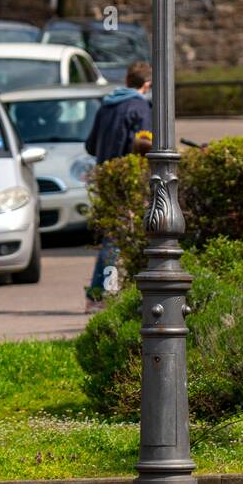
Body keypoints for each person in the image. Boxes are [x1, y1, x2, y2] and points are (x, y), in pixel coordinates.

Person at [84, 60, 153, 309]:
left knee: (112, 237)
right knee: (120, 239)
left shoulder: (106, 106)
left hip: (105, 178)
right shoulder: (140, 107)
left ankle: (98, 294)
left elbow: (90, 146)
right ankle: (102, 295)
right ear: (147, 84)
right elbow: (144, 143)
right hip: (128, 179)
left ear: (126, 81)